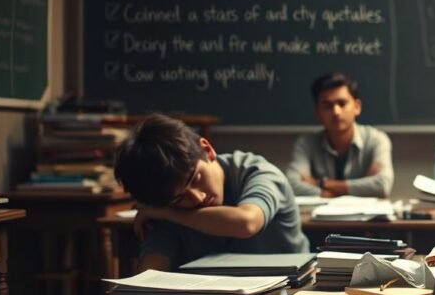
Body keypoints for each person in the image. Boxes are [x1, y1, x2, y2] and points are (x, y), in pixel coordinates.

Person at [114, 113, 309, 271]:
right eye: (180, 198)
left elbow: (246, 223)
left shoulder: (255, 171)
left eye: (196, 178)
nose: (197, 197)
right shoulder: (165, 198)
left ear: (207, 150)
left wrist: (166, 212)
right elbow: (151, 269)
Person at [285, 73, 394, 198]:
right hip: (317, 216)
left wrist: (321, 183)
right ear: (317, 111)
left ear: (357, 107)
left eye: (342, 104)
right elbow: (291, 185)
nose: (336, 112)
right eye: (328, 106)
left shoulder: (376, 139)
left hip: (366, 216)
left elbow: (382, 185)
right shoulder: (306, 143)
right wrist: (356, 189)